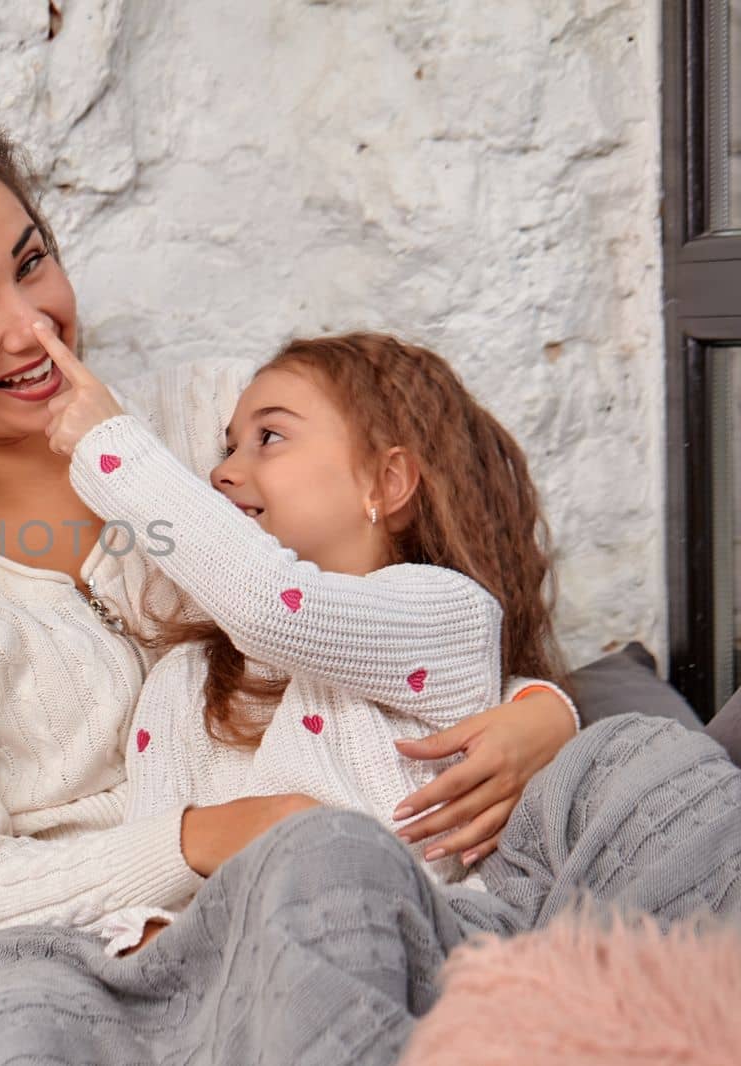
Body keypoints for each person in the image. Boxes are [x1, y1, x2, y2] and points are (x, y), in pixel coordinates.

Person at [0, 113, 578, 1065]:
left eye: (31, 264)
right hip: (87, 950)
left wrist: (539, 708)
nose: (32, 326)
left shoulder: (221, 423)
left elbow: (406, 591)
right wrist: (214, 837)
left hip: (335, 892)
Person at [29, 330, 570, 956]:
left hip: (407, 958)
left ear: (386, 483)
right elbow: (157, 875)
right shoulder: (183, 681)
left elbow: (274, 606)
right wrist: (150, 938)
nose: (223, 471)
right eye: (228, 447)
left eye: (270, 438)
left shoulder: (447, 612)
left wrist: (108, 444)